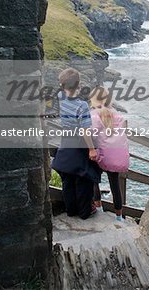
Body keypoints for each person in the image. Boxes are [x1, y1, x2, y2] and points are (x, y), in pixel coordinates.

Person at [51, 68, 101, 219]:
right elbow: (85, 130)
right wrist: (91, 150)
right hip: (79, 142)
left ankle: (71, 210)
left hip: (66, 140)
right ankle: (85, 212)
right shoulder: (82, 106)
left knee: (67, 176)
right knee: (83, 177)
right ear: (78, 84)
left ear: (62, 84)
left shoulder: (60, 96)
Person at [89, 86, 129, 222]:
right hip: (115, 156)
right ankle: (119, 216)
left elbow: (92, 133)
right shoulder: (117, 114)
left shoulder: (95, 114)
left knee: (95, 180)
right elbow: (123, 130)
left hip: (101, 155)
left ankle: (99, 208)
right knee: (115, 185)